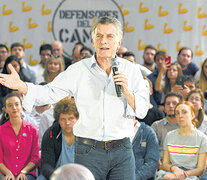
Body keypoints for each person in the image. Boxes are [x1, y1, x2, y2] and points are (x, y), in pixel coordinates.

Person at [0, 16, 149, 180]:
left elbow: (142, 111)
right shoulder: (78, 70)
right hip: (88, 151)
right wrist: (23, 86)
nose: (103, 41)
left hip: (122, 150)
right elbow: (49, 92)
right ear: (93, 41)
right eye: (99, 36)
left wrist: (127, 91)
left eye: (109, 36)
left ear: (119, 42)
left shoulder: (132, 71)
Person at [155, 101, 207, 179]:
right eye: (177, 113)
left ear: (192, 115)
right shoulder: (170, 136)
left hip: (190, 175)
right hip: (172, 172)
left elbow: (200, 169)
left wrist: (181, 175)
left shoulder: (202, 138)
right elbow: (165, 164)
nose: (180, 116)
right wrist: (174, 169)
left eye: (184, 112)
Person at [0, 93, 40, 180]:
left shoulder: (32, 130)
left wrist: (23, 172)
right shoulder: (1, 131)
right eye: (10, 106)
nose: (14, 108)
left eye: (17, 104)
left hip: (27, 174)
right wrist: (8, 173)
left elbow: (35, 158)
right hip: (5, 174)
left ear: (22, 107)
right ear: (5, 109)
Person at [37, 97, 78, 180]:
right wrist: (56, 176)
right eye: (63, 119)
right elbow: (46, 165)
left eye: (71, 118)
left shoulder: (86, 135)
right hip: (56, 174)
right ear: (58, 120)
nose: (67, 123)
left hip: (79, 174)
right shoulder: (50, 134)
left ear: (77, 118)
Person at [151, 92, 183, 162]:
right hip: (161, 165)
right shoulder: (156, 126)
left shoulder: (185, 126)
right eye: (168, 104)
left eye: (174, 103)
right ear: (164, 108)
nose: (171, 106)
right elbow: (152, 150)